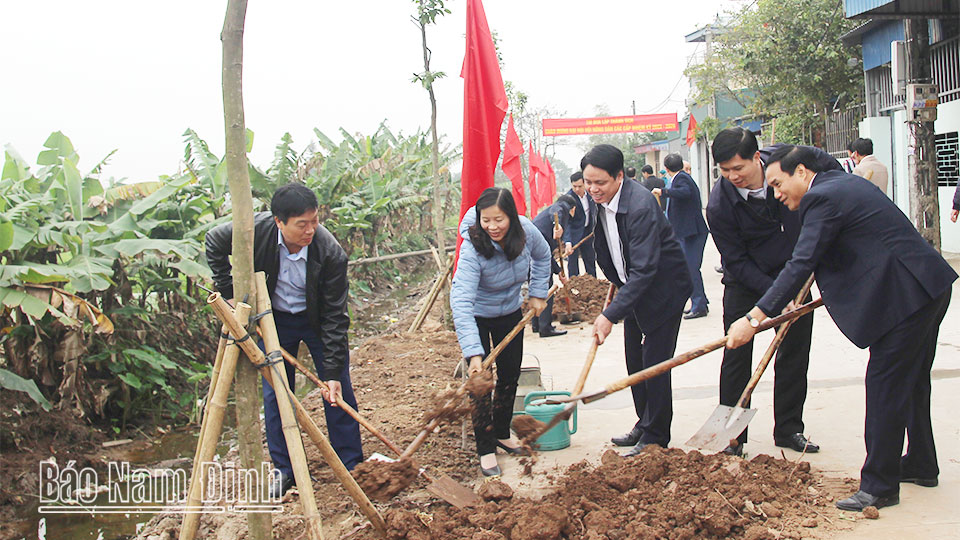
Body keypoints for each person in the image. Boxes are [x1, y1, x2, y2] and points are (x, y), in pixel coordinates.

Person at [727, 145, 957, 512]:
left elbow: (802, 261)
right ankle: (921, 464)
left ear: (800, 172)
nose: (775, 192)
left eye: (777, 182)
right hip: (926, 286)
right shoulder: (842, 183)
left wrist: (754, 318)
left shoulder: (822, 198)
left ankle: (879, 486)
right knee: (911, 381)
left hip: (907, 297)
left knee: (884, 386)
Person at [205, 183, 363, 498]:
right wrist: (229, 291)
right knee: (277, 391)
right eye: (301, 224)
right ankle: (285, 470)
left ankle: (351, 463)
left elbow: (335, 317)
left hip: (316, 320)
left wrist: (330, 372)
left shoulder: (329, 252)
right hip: (271, 319)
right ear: (279, 221)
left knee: (336, 388)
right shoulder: (256, 231)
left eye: (315, 221)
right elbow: (214, 239)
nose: (310, 230)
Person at [707, 128, 837, 456]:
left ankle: (790, 428)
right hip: (746, 280)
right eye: (724, 171)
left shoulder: (786, 162)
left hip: (793, 271)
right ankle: (732, 434)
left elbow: (826, 164)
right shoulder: (719, 204)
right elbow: (735, 261)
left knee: (794, 351)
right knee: (736, 353)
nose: (732, 176)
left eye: (739, 168)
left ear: (757, 158)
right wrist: (775, 297)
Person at [581, 144, 692, 457]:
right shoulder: (598, 202)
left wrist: (609, 315)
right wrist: (617, 285)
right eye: (588, 183)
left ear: (619, 177)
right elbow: (610, 248)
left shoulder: (641, 205)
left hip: (663, 290)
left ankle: (656, 436)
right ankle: (644, 423)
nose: (593, 189)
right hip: (632, 288)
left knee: (654, 364)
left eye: (600, 183)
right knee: (635, 359)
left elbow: (645, 270)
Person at [451, 187, 552, 476]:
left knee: (509, 374)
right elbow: (461, 302)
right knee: (481, 384)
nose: (492, 227)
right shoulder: (473, 248)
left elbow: (543, 257)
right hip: (477, 316)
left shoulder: (527, 232)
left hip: (509, 312)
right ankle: (485, 449)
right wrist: (473, 355)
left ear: (512, 217)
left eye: (499, 220)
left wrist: (537, 293)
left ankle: (502, 432)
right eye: (486, 220)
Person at [653, 154, 710, 319]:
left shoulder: (681, 179)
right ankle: (700, 301)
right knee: (688, 268)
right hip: (687, 232)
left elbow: (683, 193)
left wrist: (663, 191)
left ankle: (699, 306)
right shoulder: (680, 178)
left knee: (691, 269)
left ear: (667, 169)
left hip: (693, 233)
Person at [530, 194, 579, 337]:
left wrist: (559, 271)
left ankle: (536, 324)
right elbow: (556, 212)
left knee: (537, 284)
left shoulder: (545, 218)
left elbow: (547, 254)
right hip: (538, 250)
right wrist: (556, 226)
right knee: (547, 287)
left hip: (535, 250)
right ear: (573, 209)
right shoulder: (561, 208)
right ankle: (545, 328)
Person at [565, 172, 598, 277]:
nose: (577, 189)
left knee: (590, 259)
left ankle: (593, 283)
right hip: (574, 234)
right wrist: (568, 242)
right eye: (574, 186)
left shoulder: (591, 195)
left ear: (585, 184)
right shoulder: (569, 199)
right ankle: (574, 286)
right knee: (573, 264)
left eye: (580, 186)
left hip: (588, 233)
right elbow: (566, 223)